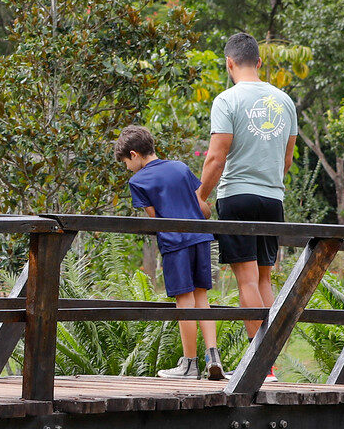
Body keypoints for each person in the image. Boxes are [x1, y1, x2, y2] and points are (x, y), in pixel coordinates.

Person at [198, 32, 298, 371]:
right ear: (258, 61)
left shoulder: (227, 100)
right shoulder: (284, 101)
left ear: (229, 63)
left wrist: (200, 195)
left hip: (237, 196)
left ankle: (259, 367)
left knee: (247, 280)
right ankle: (269, 365)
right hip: (273, 199)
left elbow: (216, 156)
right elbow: (287, 160)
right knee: (265, 278)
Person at [117, 125, 221, 381]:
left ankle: (189, 364)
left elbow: (155, 220)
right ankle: (213, 357)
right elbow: (202, 206)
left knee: (184, 301)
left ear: (134, 154)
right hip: (200, 238)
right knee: (202, 298)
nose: (127, 168)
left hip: (175, 243)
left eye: (125, 162)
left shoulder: (137, 181)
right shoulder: (180, 167)